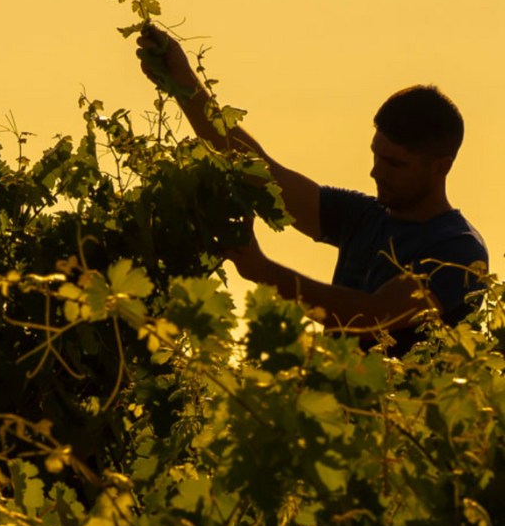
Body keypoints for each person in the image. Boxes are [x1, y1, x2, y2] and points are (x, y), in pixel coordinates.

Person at [137, 26, 488, 353]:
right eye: (376, 156)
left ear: (441, 166)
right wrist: (183, 82)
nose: (375, 172)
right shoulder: (363, 216)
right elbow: (259, 170)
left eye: (395, 164)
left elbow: (373, 318)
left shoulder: (458, 250)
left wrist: (263, 271)